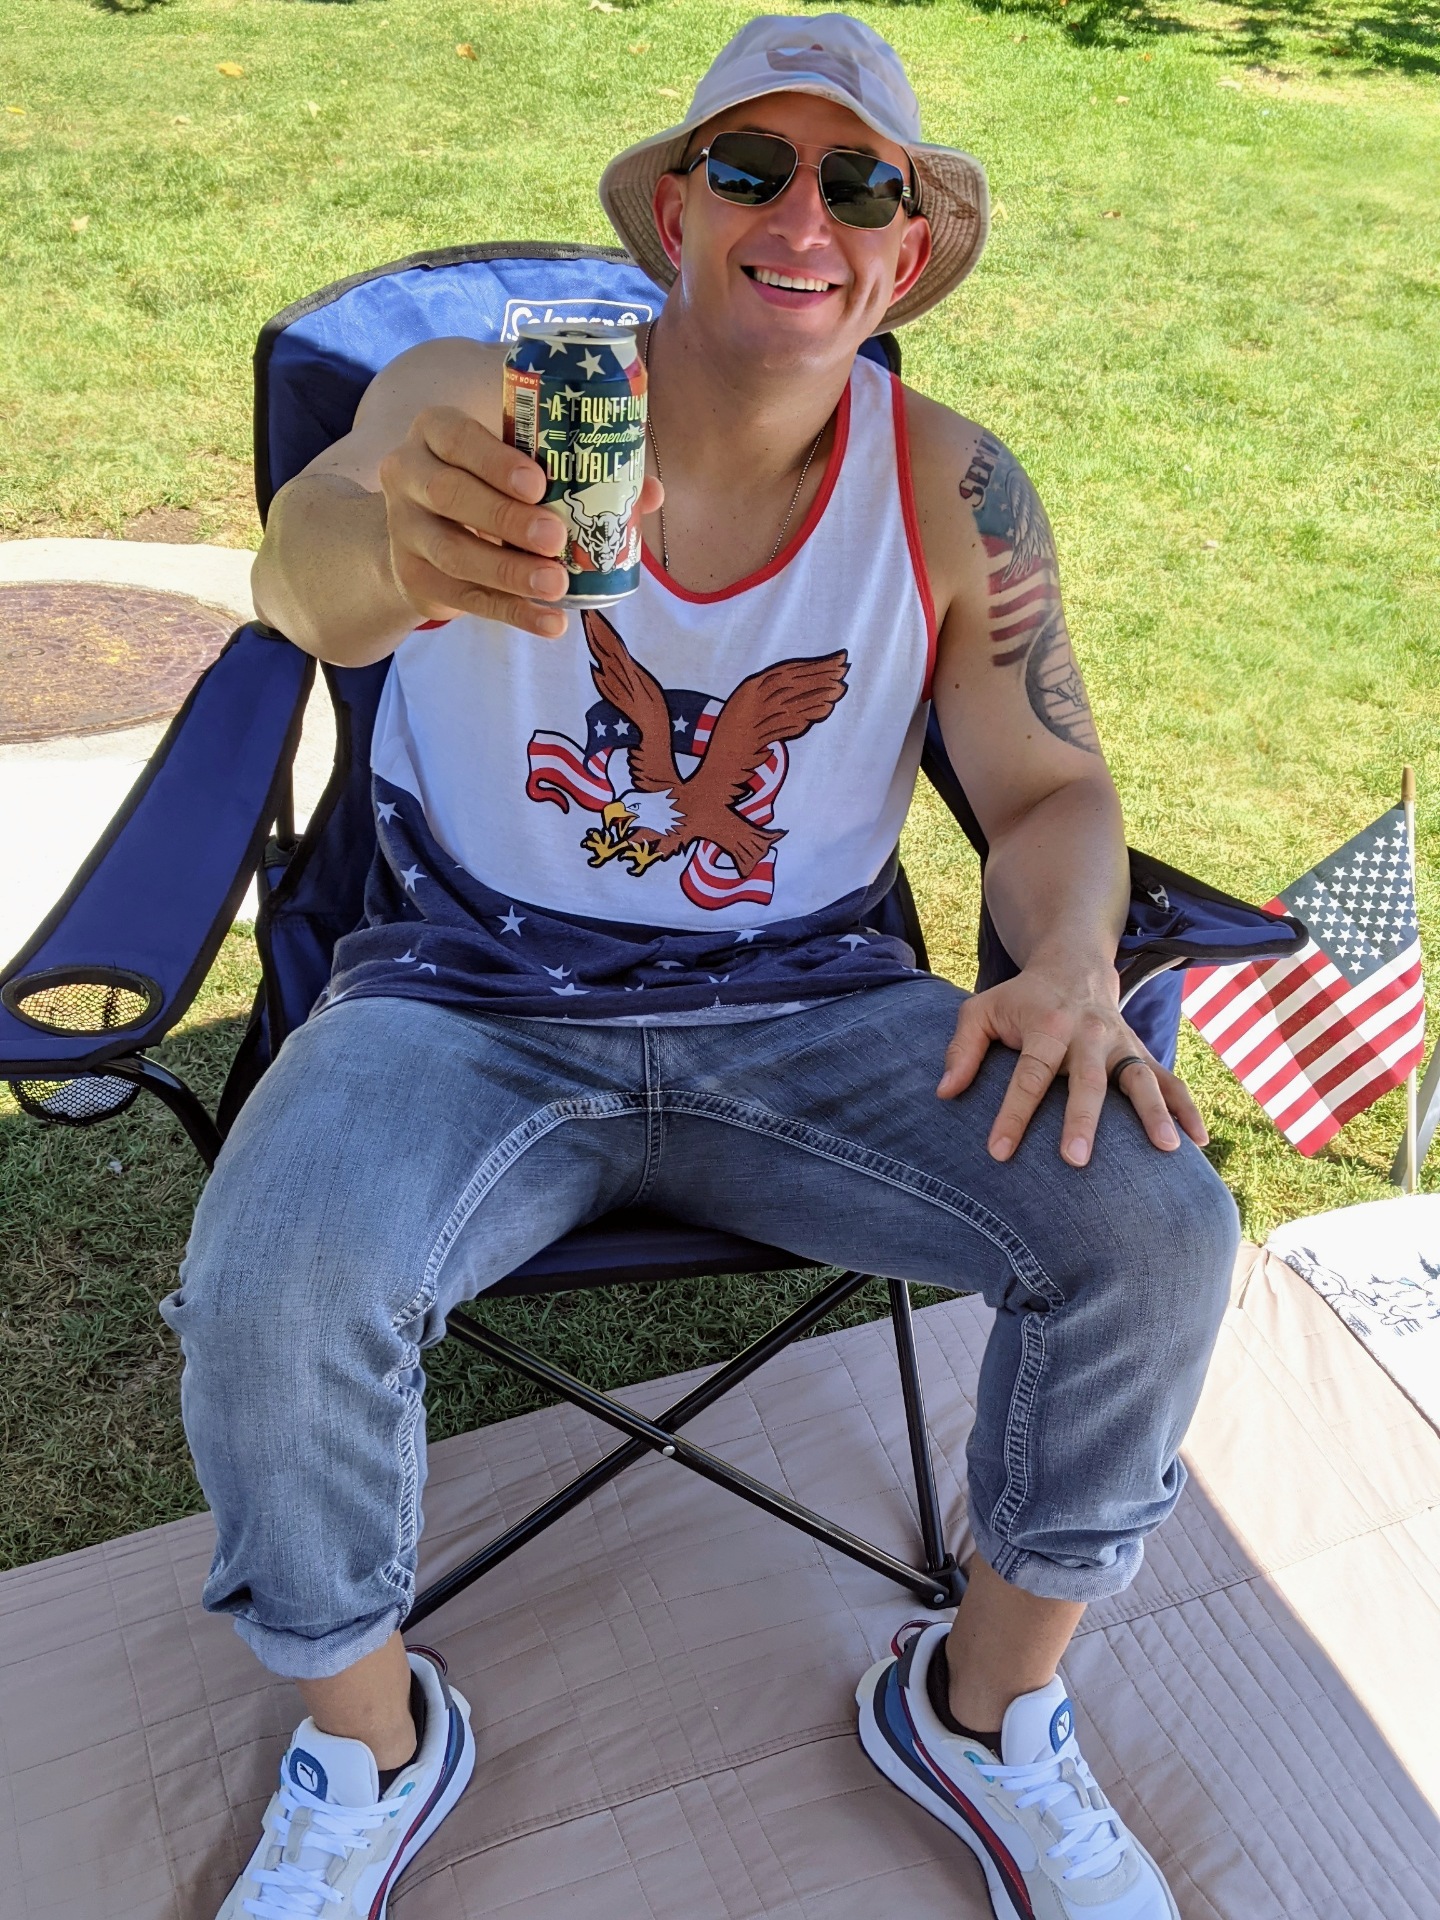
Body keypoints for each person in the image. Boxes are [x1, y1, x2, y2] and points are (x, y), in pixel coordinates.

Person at [171, 15, 1237, 1919]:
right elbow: (300, 576)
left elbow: (1052, 781)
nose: (799, 213)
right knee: (274, 1274)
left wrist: (1069, 956)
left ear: (904, 255)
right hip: (462, 1003)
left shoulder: (951, 486)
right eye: (749, 167)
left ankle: (980, 1717)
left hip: (812, 1013)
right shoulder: (473, 394)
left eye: (859, 183)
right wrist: (399, 543)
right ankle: (365, 1748)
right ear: (676, 213)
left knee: (1154, 1222)